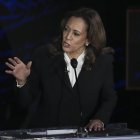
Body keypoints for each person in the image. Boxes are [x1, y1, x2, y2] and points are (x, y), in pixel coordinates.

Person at [5, 7, 117, 131]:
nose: (67, 37)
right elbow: (24, 104)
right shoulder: (44, 55)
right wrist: (22, 81)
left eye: (76, 33)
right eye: (66, 29)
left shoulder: (102, 61)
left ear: (88, 39)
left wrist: (99, 119)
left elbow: (109, 98)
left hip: (83, 133)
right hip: (46, 133)